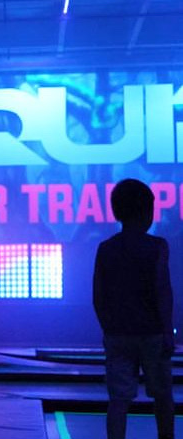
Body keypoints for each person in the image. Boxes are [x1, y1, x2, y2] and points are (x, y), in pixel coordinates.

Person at [93, 178, 175, 439]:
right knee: (162, 395)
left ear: (117, 211)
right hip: (152, 333)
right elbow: (162, 290)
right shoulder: (157, 247)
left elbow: (98, 295)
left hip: (118, 334)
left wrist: (108, 327)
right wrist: (168, 331)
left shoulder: (106, 248)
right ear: (147, 212)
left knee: (119, 399)